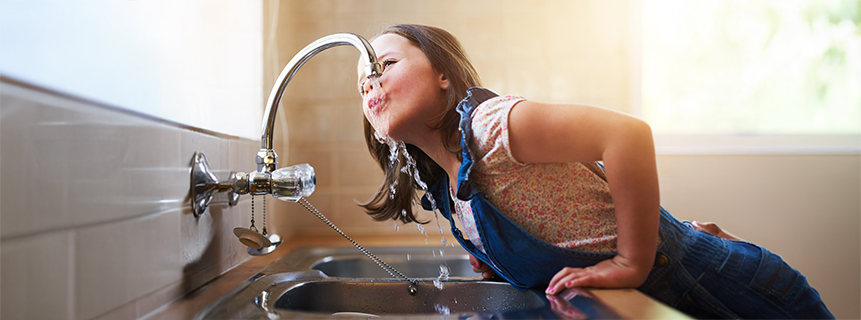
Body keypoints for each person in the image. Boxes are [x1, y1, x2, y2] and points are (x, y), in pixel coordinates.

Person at [356, 24, 833, 319]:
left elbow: (628, 135)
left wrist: (632, 261)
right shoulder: (445, 187)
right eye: (362, 85)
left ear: (443, 74)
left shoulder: (489, 126)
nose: (371, 83)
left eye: (386, 64)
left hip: (732, 288)